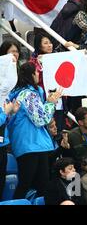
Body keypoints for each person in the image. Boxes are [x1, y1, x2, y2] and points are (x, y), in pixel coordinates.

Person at [7, 63, 62, 199]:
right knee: (26, 184)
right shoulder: (27, 94)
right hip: (29, 145)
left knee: (42, 186)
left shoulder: (31, 92)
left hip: (34, 145)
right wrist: (50, 103)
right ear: (31, 75)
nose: (39, 74)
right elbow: (40, 119)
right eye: (36, 72)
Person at [0, 100, 20, 196]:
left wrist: (12, 113)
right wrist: (5, 113)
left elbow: (5, 124)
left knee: (2, 182)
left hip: (3, 146)